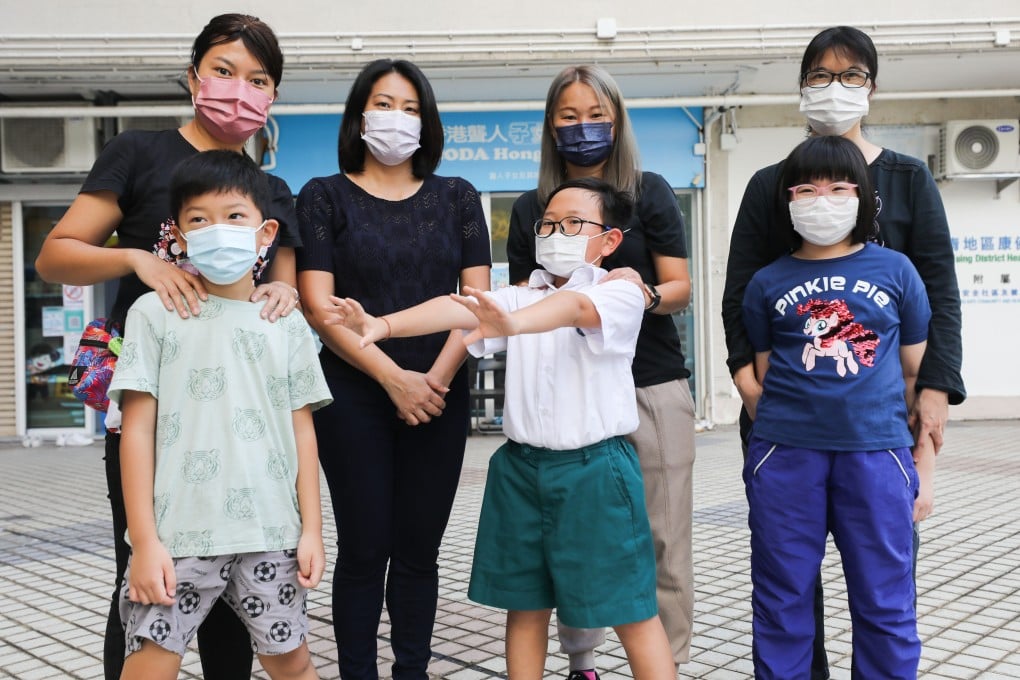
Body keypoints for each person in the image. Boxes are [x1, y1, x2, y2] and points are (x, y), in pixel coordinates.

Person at [33, 14, 301, 680]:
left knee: (237, 593)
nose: (238, 88)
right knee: (145, 574)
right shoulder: (138, 152)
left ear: (272, 98)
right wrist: (137, 263)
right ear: (192, 77)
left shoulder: (272, 190)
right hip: (155, 410)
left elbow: (283, 283)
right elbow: (56, 255)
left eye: (258, 79)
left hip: (241, 427)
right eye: (223, 70)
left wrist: (287, 295)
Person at [326, 178, 676, 680]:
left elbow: (575, 310)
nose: (558, 233)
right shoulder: (517, 295)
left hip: (594, 471)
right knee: (525, 606)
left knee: (629, 608)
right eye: (550, 224)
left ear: (609, 240)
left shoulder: (618, 291)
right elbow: (457, 308)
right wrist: (382, 325)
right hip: (521, 470)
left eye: (574, 223)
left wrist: (512, 325)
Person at [721, 25, 964, 679]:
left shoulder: (909, 178)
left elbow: (938, 290)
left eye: (851, 75)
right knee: (786, 593)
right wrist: (752, 393)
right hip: (785, 429)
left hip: (879, 426)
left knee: (883, 587)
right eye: (821, 76)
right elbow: (741, 295)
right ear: (801, 88)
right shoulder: (774, 185)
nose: (835, 88)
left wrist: (936, 391)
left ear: (873, 87)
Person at [295, 58, 491, 679]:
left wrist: (431, 380)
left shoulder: (457, 196)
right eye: (383, 104)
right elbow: (318, 307)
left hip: (440, 390)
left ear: (427, 122)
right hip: (352, 392)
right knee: (363, 547)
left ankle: (412, 670)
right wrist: (392, 377)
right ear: (358, 116)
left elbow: (476, 305)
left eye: (410, 108)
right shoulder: (323, 195)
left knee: (417, 552)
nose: (396, 119)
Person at [108, 150, 331, 680]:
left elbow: (303, 433)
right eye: (198, 219)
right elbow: (135, 431)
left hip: (271, 531)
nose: (218, 229)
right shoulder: (154, 313)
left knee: (293, 666)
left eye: (234, 216)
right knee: (148, 667)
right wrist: (143, 541)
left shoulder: (286, 323)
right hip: (177, 537)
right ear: (179, 238)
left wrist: (313, 531)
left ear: (265, 230)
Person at [506, 64, 694, 678]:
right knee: (571, 544)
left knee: (661, 541)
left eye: (595, 115)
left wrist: (634, 296)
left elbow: (680, 285)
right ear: (549, 126)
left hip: (649, 387)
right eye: (568, 116)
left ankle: (670, 660)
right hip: (570, 399)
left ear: (617, 120)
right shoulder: (534, 206)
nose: (582, 127)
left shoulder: (650, 191)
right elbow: (517, 305)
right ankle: (581, 662)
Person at [741, 135, 933, 679]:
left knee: (886, 602)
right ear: (788, 199)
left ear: (861, 196)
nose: (821, 199)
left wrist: (927, 467)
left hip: (878, 454)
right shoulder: (766, 281)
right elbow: (762, 372)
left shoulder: (897, 272)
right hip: (785, 455)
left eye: (838, 187)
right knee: (782, 602)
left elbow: (917, 375)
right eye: (807, 188)